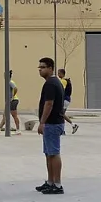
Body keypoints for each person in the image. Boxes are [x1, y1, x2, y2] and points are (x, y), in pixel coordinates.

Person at [35, 58, 66, 194]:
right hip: (51, 123)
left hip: (52, 123)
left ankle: (57, 184)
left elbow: (49, 104)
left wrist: (42, 122)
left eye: (43, 67)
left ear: (50, 68)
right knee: (48, 154)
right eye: (39, 67)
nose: (40, 69)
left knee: (54, 153)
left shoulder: (51, 84)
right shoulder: (53, 83)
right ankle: (50, 181)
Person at [58, 67, 76, 133]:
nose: (58, 74)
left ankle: (73, 125)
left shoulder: (63, 81)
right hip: (67, 99)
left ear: (62, 74)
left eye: (59, 73)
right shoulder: (67, 80)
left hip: (64, 99)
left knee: (61, 114)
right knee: (61, 115)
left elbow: (61, 90)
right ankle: (63, 130)